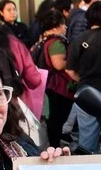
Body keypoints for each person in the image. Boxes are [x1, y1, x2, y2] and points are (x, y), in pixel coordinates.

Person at [66, 1, 101, 153]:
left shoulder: (79, 38)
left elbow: (69, 70)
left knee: (87, 140)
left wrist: (84, 81)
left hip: (86, 95)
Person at [30, 9, 73, 147]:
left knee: (52, 120)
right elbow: (59, 64)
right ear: (55, 27)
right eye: (63, 24)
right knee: (56, 120)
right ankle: (54, 146)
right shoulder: (56, 43)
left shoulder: (42, 41)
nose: (65, 27)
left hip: (46, 85)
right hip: (57, 87)